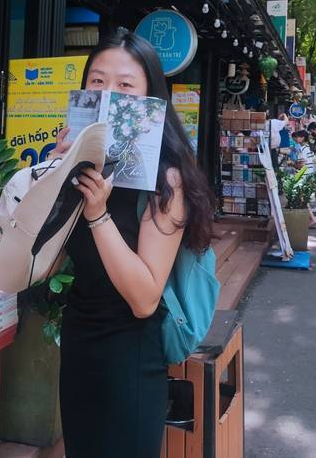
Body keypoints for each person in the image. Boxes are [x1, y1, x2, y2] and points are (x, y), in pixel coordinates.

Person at [48, 30, 214, 458]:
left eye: (125, 85)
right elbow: (46, 266)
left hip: (131, 353)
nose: (108, 94)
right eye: (97, 81)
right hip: (80, 338)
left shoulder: (166, 182)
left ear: (150, 98)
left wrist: (97, 213)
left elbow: (144, 299)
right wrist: (53, 180)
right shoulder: (79, 167)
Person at [291, 130, 316, 228]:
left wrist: (292, 164)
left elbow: (301, 165)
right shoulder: (309, 148)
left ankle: (312, 220)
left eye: (297, 137)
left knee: (302, 199)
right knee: (303, 199)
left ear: (302, 138)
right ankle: (311, 219)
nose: (295, 139)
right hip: (308, 175)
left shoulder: (302, 149)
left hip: (303, 176)